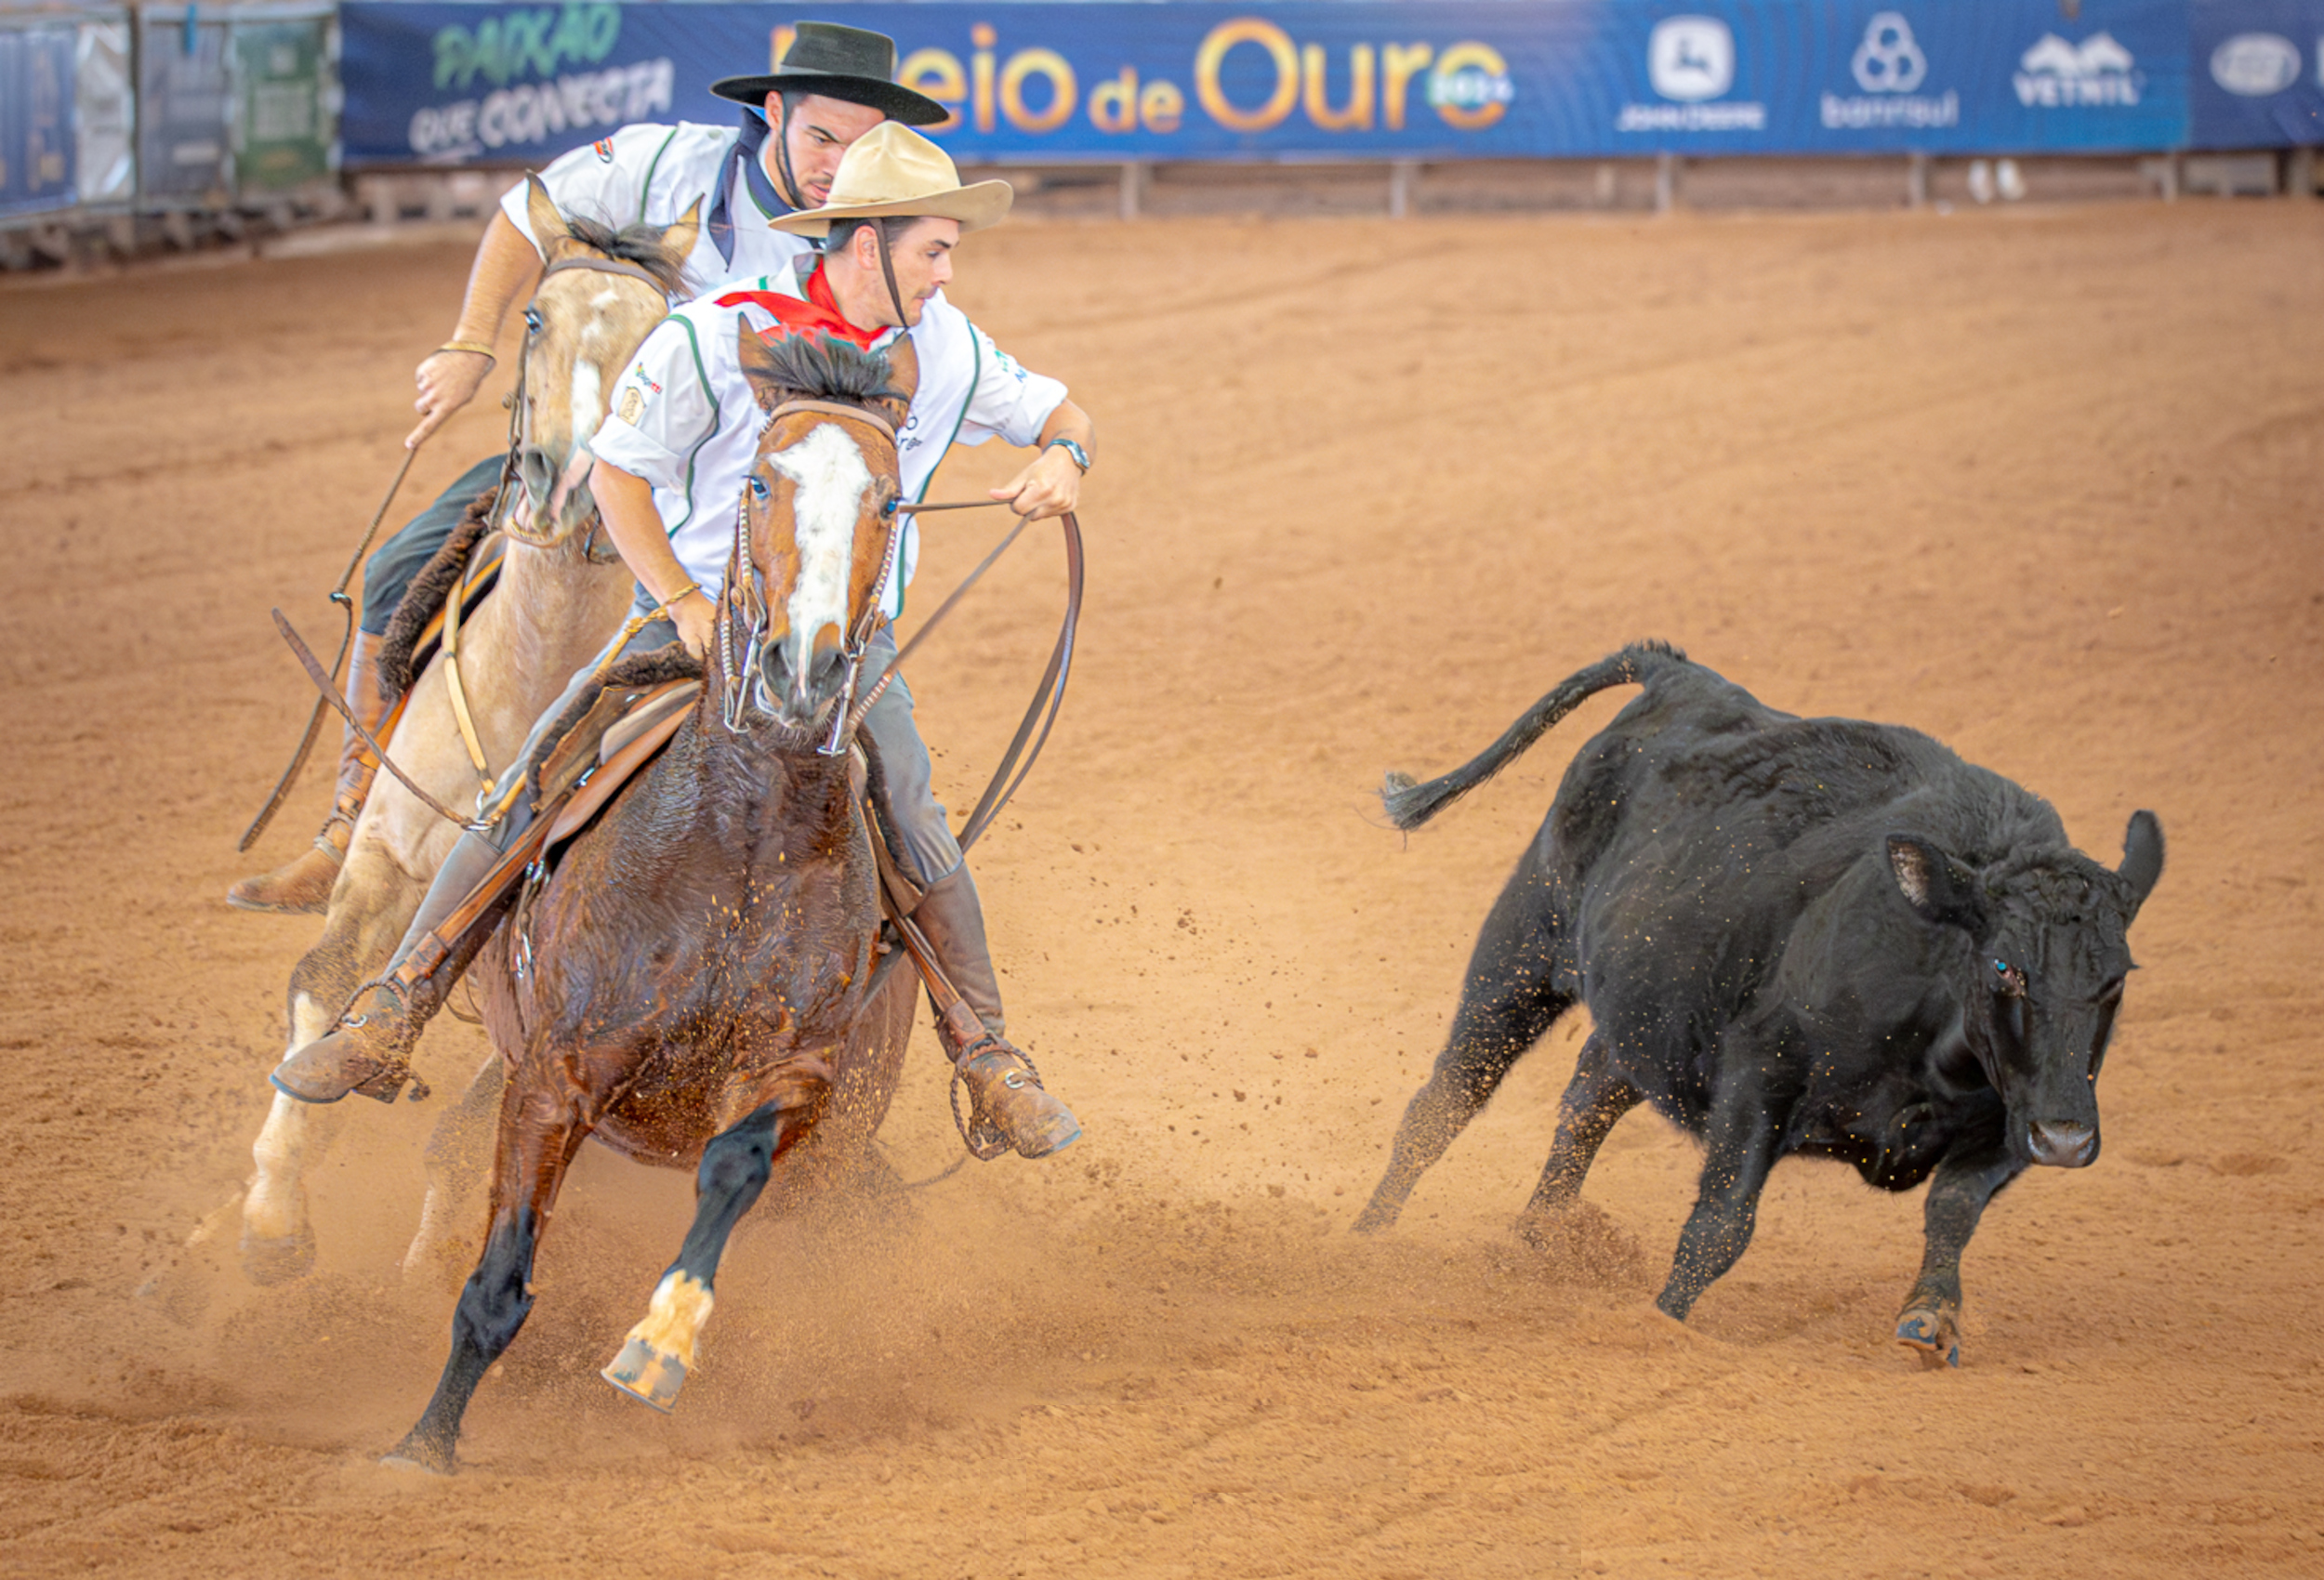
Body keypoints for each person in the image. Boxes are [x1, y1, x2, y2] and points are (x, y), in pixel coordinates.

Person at [271, 124, 1092, 1162]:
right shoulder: (716, 331)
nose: (947, 270)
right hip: (691, 619)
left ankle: (986, 1055)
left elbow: (1067, 411)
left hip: (845, 650)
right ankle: (395, 1002)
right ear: (868, 239)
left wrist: (1064, 454)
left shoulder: (948, 349)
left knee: (913, 816)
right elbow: (616, 473)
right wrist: (678, 600)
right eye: (934, 246)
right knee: (531, 783)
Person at [229, 21, 947, 914]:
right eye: (820, 137)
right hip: (610, 443)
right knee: (393, 578)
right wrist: (469, 344)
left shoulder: (881, 234)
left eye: (860, 143)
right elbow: (527, 213)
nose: (837, 165)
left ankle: (848, 885)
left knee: (822, 663)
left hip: (740, 487)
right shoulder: (665, 166)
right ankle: (349, 827)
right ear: (774, 113)